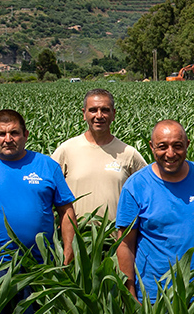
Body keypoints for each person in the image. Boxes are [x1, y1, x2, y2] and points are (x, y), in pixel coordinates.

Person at [115, 120, 194, 312]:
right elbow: (125, 244)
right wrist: (129, 294)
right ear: (151, 147)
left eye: (177, 146)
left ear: (188, 144)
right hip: (155, 297)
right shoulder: (136, 186)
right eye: (162, 147)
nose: (170, 154)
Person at [0, 110, 76, 266]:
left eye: (14, 133)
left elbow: (66, 211)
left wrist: (67, 254)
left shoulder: (47, 166)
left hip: (42, 263)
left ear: (26, 135)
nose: (8, 139)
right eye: (1, 134)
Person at [51, 89, 146, 223]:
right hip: (76, 240)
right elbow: (47, 192)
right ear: (84, 114)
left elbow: (148, 191)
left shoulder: (129, 153)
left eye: (105, 110)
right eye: (93, 110)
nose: (99, 115)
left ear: (114, 114)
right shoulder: (66, 150)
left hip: (117, 239)